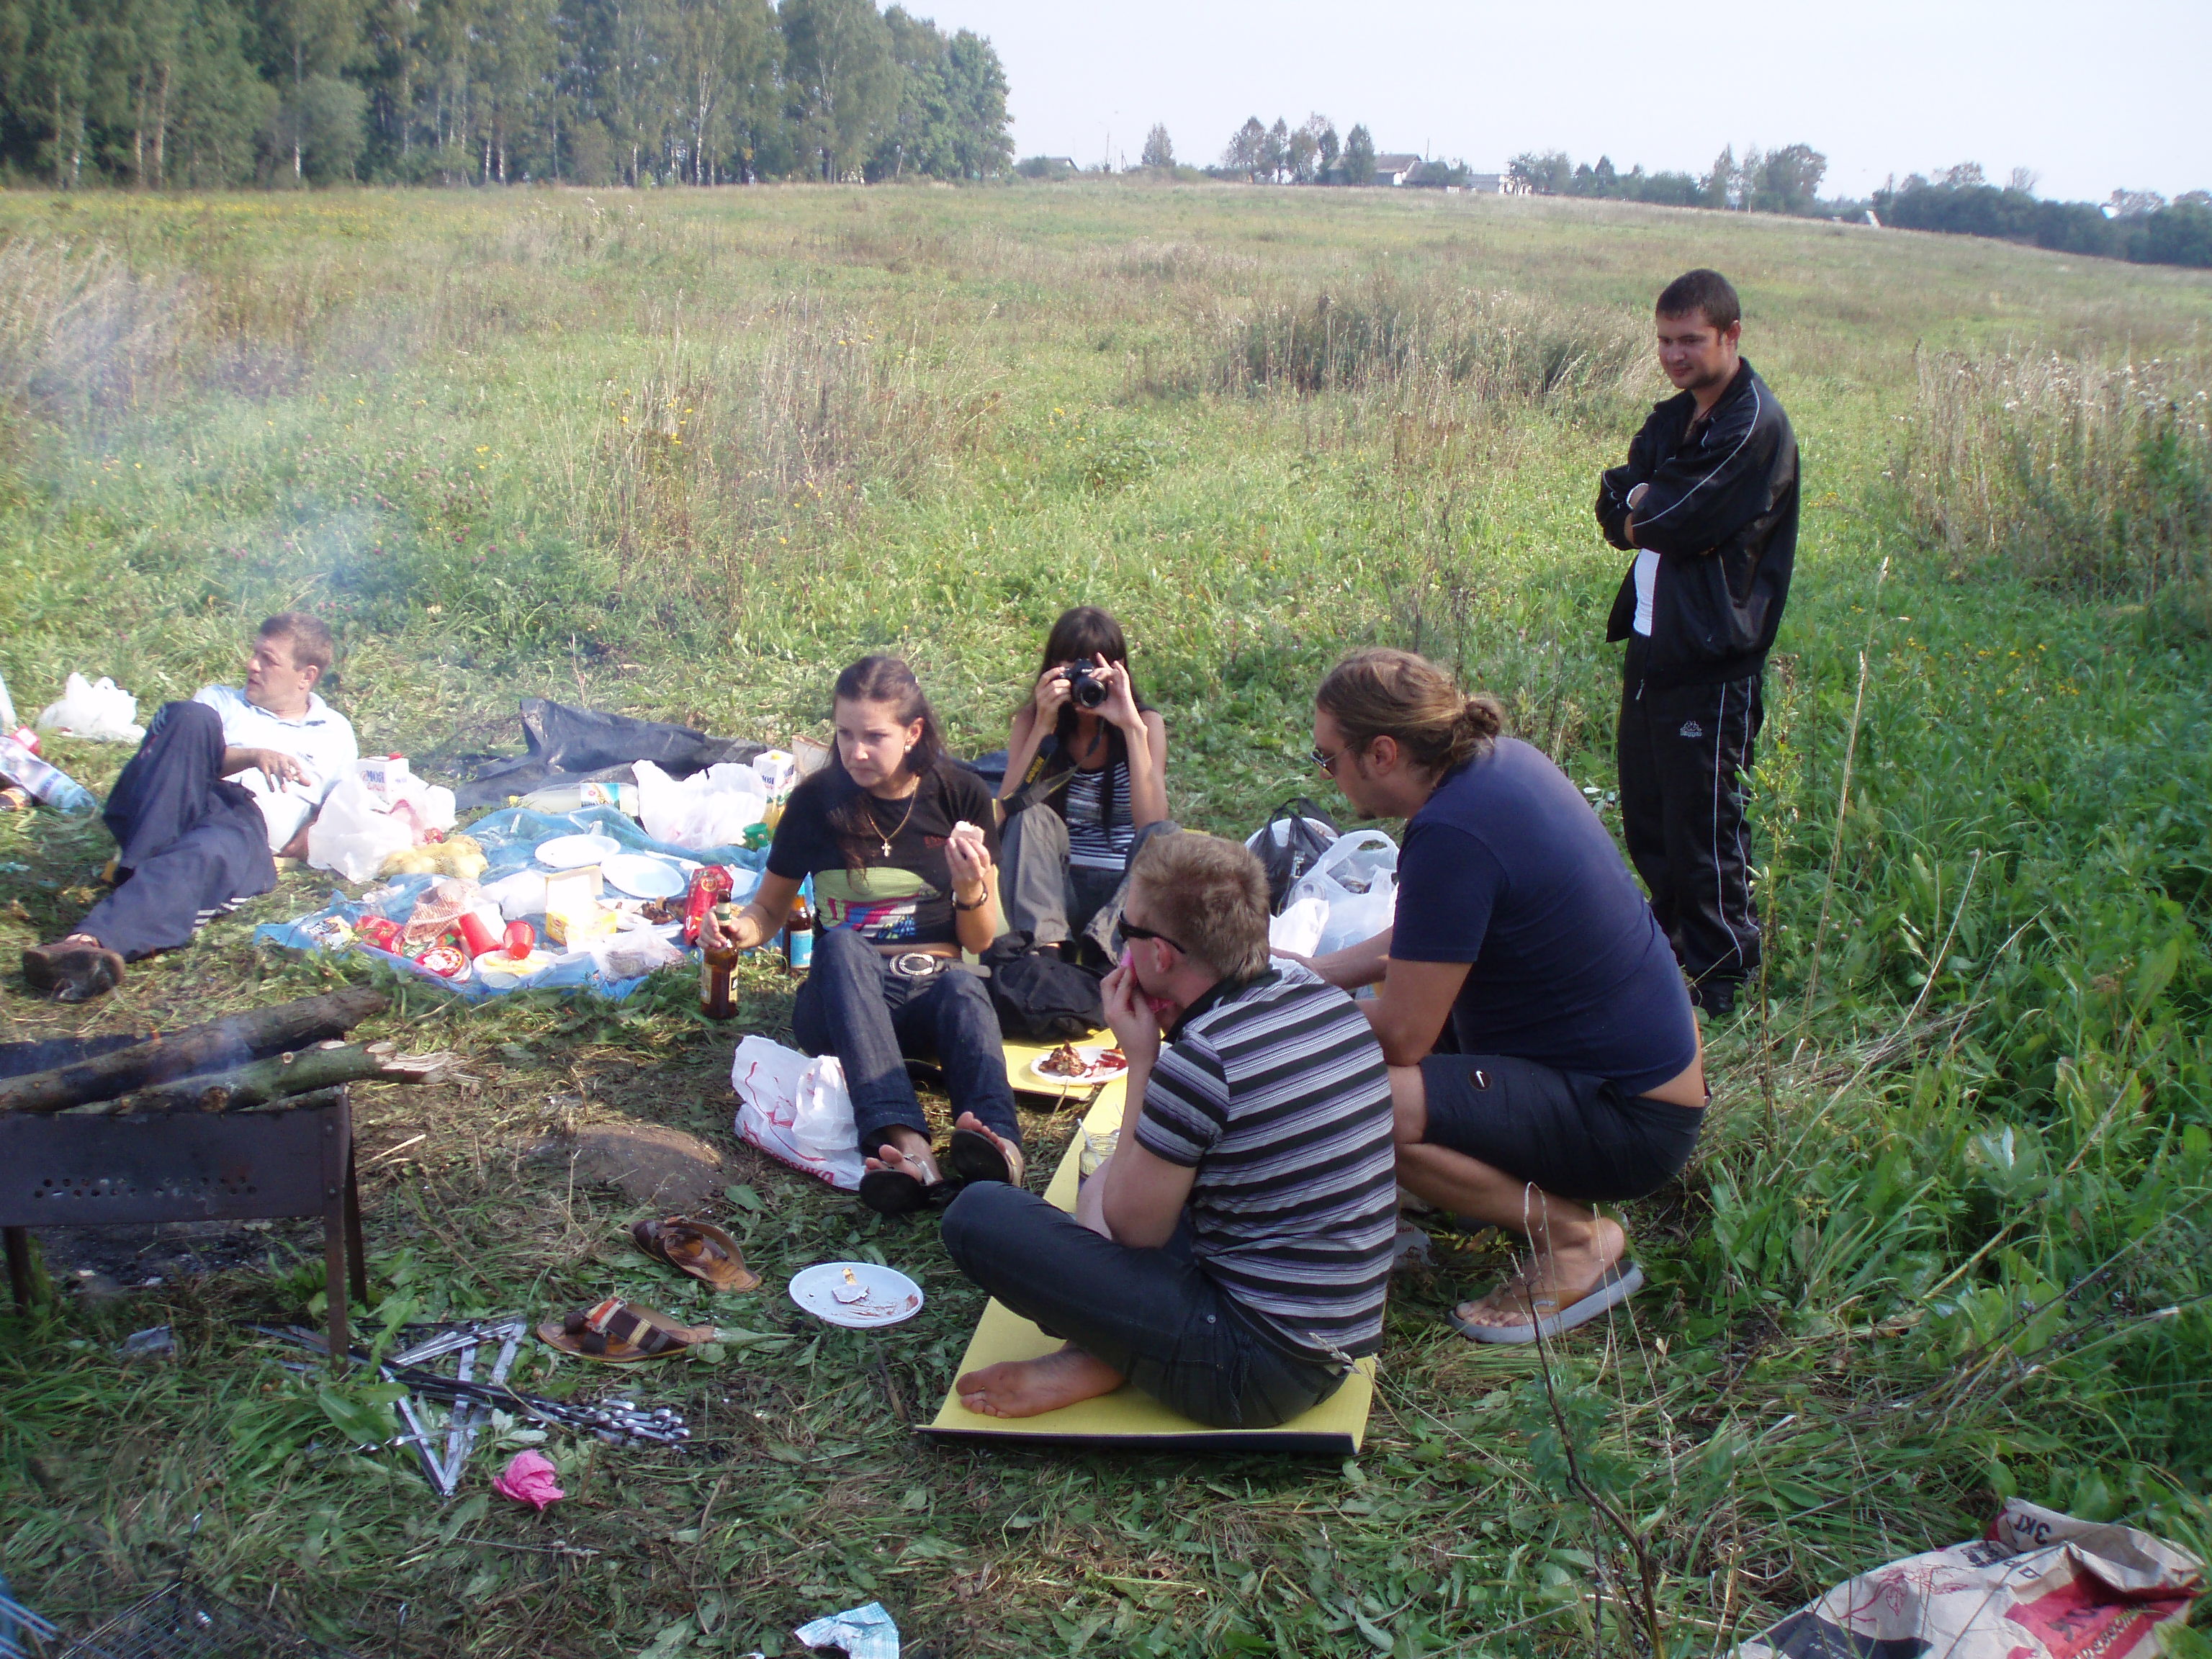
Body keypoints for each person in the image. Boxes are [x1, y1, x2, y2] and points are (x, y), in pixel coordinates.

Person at [1295, 648, 1705, 1343]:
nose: (1325, 774)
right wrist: (1310, 974)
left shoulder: (1451, 832)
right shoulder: (1497, 767)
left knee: (1348, 1096)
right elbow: (1429, 934)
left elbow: (1402, 1035)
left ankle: (1577, 1239)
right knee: (1359, 1029)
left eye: (1327, 758)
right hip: (1633, 1080)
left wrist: (1283, 1025)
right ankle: (1478, 1184)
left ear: (1383, 753)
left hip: (1630, 1122)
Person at [943, 830, 1398, 1428]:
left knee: (978, 1215)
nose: (1119, 949)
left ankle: (1104, 1355)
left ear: (1158, 955)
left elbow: (1134, 1231)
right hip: (1335, 1347)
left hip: (1249, 1373)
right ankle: (1110, 1352)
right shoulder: (1319, 996)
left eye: (1125, 932)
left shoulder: (1204, 1060)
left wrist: (1142, 1064)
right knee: (1104, 1185)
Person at [699, 655, 1024, 1218]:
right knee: (843, 944)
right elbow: (768, 909)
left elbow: (981, 936)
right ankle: (905, 1143)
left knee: (966, 987)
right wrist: (737, 928)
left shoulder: (960, 794)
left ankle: (997, 1147)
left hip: (930, 991)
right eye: (845, 734)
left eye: (874, 737)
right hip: (841, 1002)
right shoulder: (816, 802)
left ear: (913, 732)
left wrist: (971, 886)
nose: (856, 752)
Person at [1596, 268, 1799, 1018]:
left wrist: (1646, 505)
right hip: (1654, 637)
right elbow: (1615, 499)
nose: (1674, 355)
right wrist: (1640, 502)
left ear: (1731, 335)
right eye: (1664, 340)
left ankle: (1722, 975)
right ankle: (1673, 943)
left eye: (1690, 340)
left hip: (1711, 652)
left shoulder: (1751, 426)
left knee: (1705, 817)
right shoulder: (1675, 417)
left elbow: (1673, 517)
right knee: (1650, 805)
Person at [20, 612, 357, 1002]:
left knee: (205, 854)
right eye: (254, 654)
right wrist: (252, 756)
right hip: (175, 803)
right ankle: (143, 867)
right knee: (190, 717)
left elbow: (345, 802)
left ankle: (84, 948)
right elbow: (176, 761)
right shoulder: (219, 701)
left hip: (241, 824)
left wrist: (313, 829)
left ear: (306, 676)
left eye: (268, 660)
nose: (252, 665)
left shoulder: (335, 732)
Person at [995, 607, 1171, 964]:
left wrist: (1130, 727)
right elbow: (1005, 812)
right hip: (1056, 887)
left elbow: (1152, 825)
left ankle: (1104, 953)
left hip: (1124, 894)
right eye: (1073, 669)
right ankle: (1048, 953)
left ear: (1118, 670)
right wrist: (1043, 726)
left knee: (1167, 836)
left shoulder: (1145, 724)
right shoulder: (1032, 721)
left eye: (1094, 668)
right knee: (1028, 817)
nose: (1084, 682)